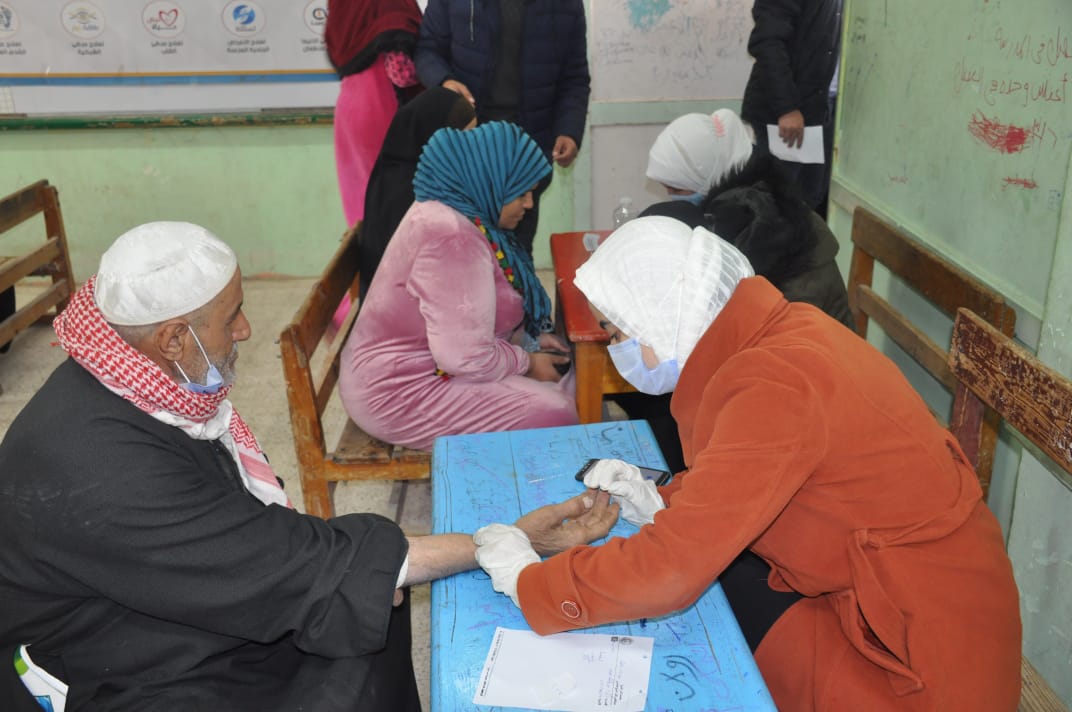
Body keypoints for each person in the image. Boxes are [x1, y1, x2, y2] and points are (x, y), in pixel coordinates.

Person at [0, 222, 617, 711]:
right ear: (171, 339)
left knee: (368, 610)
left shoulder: (138, 382)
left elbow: (260, 551)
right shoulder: (100, 466)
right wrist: (507, 541)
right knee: (356, 620)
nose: (245, 329)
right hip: (112, 659)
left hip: (163, 595)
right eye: (231, 315)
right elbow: (296, 564)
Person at [472, 217, 1023, 711]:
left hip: (922, 659)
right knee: (717, 602)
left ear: (663, 315)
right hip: (894, 597)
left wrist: (533, 585)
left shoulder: (771, 383)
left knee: (703, 630)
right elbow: (754, 477)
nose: (613, 349)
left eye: (617, 333)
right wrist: (660, 499)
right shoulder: (778, 334)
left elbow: (672, 570)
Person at [634, 108, 852, 470]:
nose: (672, 197)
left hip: (816, 387)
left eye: (678, 188)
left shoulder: (761, 226)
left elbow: (765, 346)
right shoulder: (749, 205)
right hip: (790, 365)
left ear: (706, 174)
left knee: (669, 394)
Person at [339, 121, 578, 451]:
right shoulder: (451, 236)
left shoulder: (458, 208)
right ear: (491, 181)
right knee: (560, 411)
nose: (529, 205)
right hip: (399, 393)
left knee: (568, 376)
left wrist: (527, 340)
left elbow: (468, 316)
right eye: (521, 193)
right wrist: (527, 362)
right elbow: (465, 358)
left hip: (427, 368)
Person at [414, 0, 590, 255]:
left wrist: (569, 130)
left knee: (517, 253)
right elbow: (427, 51)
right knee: (462, 252)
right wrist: (445, 81)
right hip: (468, 144)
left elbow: (574, 76)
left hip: (527, 148)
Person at [359, 85, 477, 300]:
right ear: (433, 134)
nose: (470, 149)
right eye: (463, 138)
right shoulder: (407, 191)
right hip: (398, 309)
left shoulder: (411, 168)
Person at [326, 0, 423, 228]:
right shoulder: (389, 4)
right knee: (395, 205)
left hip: (350, 108)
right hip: (382, 105)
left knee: (362, 203)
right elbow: (402, 72)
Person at [740, 0, 843, 213]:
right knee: (776, 200)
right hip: (790, 112)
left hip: (826, 105)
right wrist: (786, 108)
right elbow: (768, 42)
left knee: (812, 198)